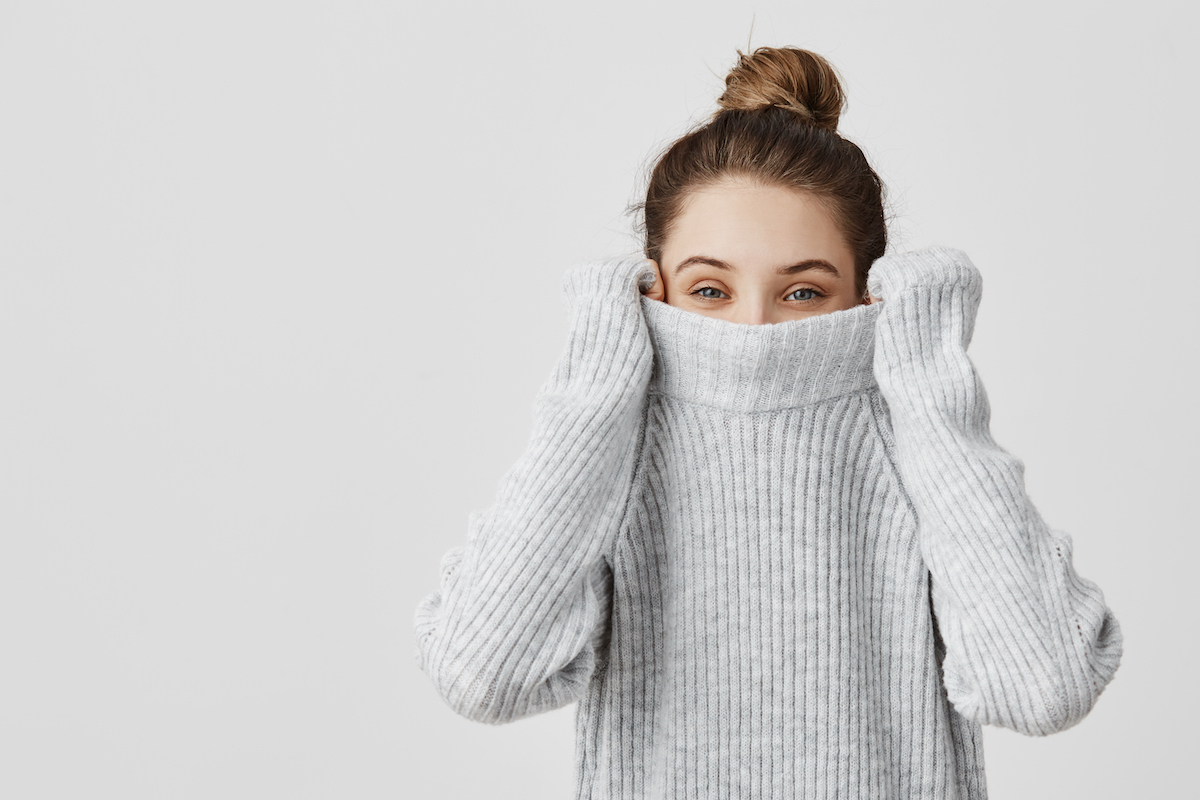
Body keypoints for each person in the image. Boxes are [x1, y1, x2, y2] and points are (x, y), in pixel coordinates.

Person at [414, 46, 1123, 798]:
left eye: (803, 293)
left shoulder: (913, 433)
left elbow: (1042, 688)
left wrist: (930, 386)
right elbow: (481, 676)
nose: (753, 330)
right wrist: (593, 390)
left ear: (867, 293)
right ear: (651, 287)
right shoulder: (619, 444)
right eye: (710, 289)